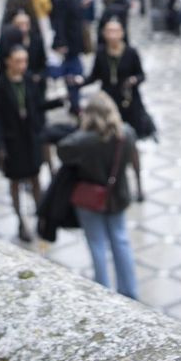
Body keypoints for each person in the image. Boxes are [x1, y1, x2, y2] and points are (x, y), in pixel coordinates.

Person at [57, 90, 139, 299]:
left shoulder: (83, 141)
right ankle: (129, 291)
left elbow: (63, 150)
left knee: (97, 243)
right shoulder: (127, 134)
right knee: (121, 240)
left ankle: (102, 290)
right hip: (117, 195)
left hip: (89, 198)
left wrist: (80, 127)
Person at [0, 44, 59, 243]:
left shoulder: (29, 80)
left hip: (31, 139)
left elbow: (38, 106)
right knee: (15, 182)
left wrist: (59, 102)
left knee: (36, 178)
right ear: (8, 61)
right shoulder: (1, 85)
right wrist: (0, 146)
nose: (23, 65)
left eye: (25, 61)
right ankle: (21, 220)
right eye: (18, 61)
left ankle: (40, 217)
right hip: (13, 143)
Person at [89, 15, 156, 147]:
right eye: (109, 31)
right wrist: (79, 81)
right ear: (104, 34)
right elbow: (94, 75)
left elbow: (141, 75)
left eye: (115, 31)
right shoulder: (101, 53)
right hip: (108, 98)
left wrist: (134, 79)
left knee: (132, 133)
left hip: (128, 98)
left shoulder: (131, 52)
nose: (112, 35)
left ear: (122, 33)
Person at [49, 0, 90, 113]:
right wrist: (61, 42)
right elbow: (59, 21)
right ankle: (74, 103)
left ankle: (74, 102)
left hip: (72, 40)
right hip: (69, 42)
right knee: (73, 73)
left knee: (73, 73)